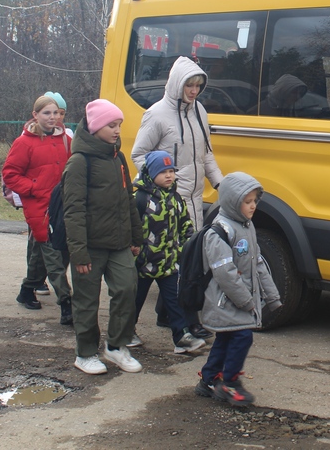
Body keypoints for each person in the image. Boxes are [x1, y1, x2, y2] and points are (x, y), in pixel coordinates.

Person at [131, 56, 224, 339]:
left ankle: (168, 314)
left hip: (193, 201)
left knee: (188, 261)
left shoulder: (200, 112)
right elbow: (139, 155)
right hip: (165, 206)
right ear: (176, 84)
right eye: (189, 85)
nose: (194, 91)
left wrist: (220, 183)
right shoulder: (156, 114)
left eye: (198, 86)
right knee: (177, 265)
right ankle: (186, 319)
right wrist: (160, 187)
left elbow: (206, 153)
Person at [63, 99, 145, 374]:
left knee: (127, 289)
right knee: (87, 301)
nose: (117, 130)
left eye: (119, 124)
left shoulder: (118, 157)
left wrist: (136, 237)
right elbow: (73, 210)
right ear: (96, 127)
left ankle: (116, 347)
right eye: (112, 125)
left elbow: (127, 199)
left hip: (119, 243)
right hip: (90, 247)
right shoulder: (79, 162)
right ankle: (85, 353)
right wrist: (79, 253)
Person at [194, 172, 281, 406]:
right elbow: (226, 274)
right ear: (233, 201)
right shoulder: (219, 232)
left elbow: (257, 262)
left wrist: (272, 296)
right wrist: (246, 301)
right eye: (247, 201)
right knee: (242, 336)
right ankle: (230, 384)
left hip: (239, 300)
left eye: (255, 201)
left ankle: (209, 379)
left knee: (226, 338)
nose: (253, 206)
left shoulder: (247, 226)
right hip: (226, 301)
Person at [3, 95, 73, 323]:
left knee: (41, 253)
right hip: (39, 207)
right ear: (35, 115)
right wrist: (34, 188)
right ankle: (66, 303)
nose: (52, 118)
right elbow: (10, 174)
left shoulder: (66, 140)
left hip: (62, 205)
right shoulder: (24, 143)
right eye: (46, 113)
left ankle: (27, 290)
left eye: (56, 113)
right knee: (53, 256)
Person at [131, 150, 205, 354]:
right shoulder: (140, 198)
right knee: (135, 300)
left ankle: (181, 337)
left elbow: (185, 226)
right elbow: (130, 225)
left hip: (169, 263)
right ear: (152, 173)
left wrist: (188, 246)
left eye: (171, 171)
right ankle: (127, 331)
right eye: (163, 171)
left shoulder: (176, 199)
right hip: (143, 263)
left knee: (175, 301)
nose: (169, 175)